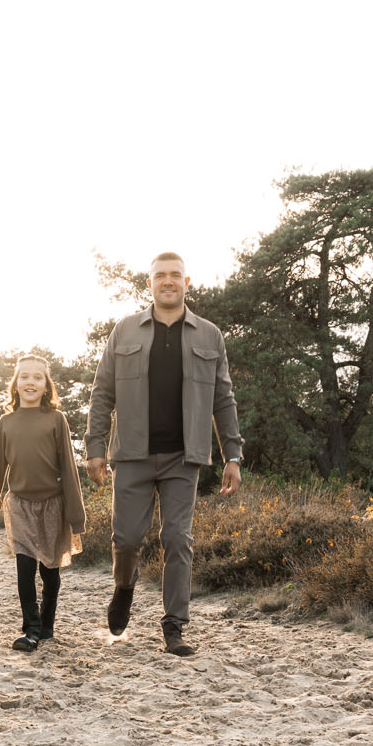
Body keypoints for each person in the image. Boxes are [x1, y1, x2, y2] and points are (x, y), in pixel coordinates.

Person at [85, 251, 243, 657]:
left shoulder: (210, 335)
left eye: (176, 276)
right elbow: (102, 393)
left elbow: (223, 399)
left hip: (183, 457)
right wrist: (95, 448)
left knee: (177, 538)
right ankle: (124, 588)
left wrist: (233, 455)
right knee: (127, 538)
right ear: (149, 283)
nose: (168, 281)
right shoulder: (125, 331)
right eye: (160, 276)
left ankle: (174, 626)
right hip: (133, 455)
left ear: (187, 283)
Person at [0, 356, 85, 652]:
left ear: (46, 386)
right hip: (21, 505)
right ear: (15, 384)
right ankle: (31, 628)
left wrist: (76, 515)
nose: (30, 382)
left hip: (54, 504)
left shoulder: (56, 419)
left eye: (38, 377)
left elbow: (69, 468)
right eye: (24, 376)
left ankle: (47, 622)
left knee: (50, 572)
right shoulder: (6, 422)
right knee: (24, 568)